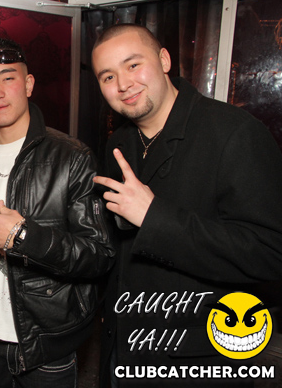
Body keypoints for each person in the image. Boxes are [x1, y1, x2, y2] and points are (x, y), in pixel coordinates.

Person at [91, 24, 282, 387]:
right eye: (108, 76)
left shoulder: (234, 132)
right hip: (125, 348)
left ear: (164, 60)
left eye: (133, 65)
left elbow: (271, 253)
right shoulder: (119, 143)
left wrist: (154, 218)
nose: (123, 84)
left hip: (198, 360)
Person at [0, 37, 114, 388]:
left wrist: (23, 236)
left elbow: (98, 256)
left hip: (46, 343)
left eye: (8, 78)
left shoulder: (72, 158)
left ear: (29, 84)